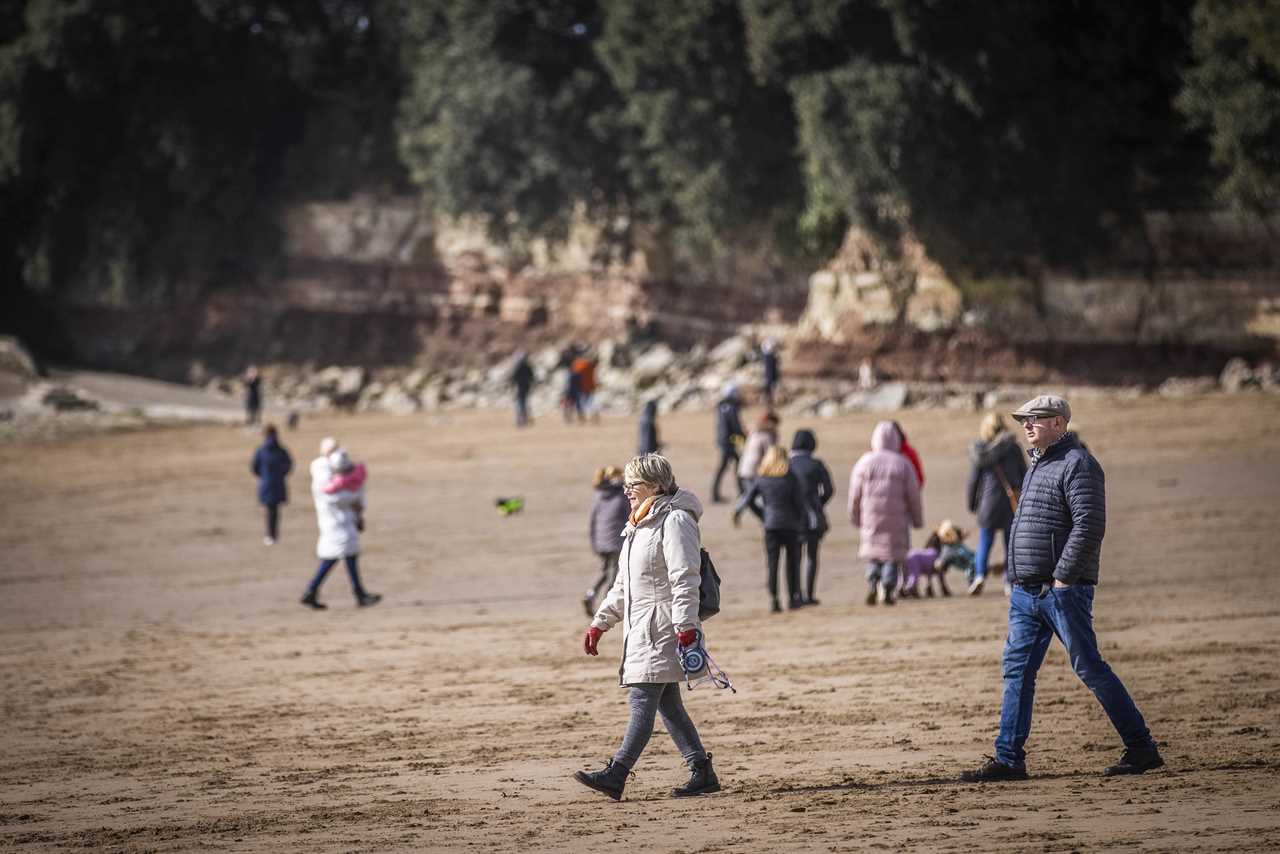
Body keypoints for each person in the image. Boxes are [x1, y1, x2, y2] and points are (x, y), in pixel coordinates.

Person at [961, 395, 1164, 782]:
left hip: (1062, 592)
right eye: (1024, 420)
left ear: (1058, 423)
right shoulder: (1037, 465)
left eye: (1034, 419)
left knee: (1089, 667)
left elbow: (1090, 525)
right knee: (1017, 672)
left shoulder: (1079, 464)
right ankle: (1008, 759)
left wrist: (1064, 577)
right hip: (1026, 594)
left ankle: (1141, 747)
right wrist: (1022, 577)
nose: (1027, 426)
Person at [576, 453, 720, 801]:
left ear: (655, 485)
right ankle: (701, 771)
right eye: (626, 484)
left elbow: (685, 576)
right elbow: (623, 585)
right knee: (667, 703)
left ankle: (617, 773)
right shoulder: (637, 524)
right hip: (641, 628)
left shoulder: (675, 521)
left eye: (633, 484)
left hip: (665, 627)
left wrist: (685, 625)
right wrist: (600, 623)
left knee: (642, 698)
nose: (627, 490)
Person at [848, 421, 924, 606]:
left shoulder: (864, 462)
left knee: (874, 552)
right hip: (897, 518)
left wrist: (855, 516)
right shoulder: (903, 464)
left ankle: (873, 581)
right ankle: (888, 587)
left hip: (871, 516)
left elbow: (854, 494)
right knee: (891, 554)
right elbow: (913, 495)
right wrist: (917, 519)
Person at [301, 447, 381, 610]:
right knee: (335, 558)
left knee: (343, 557)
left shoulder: (336, 485)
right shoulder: (329, 488)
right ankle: (355, 594)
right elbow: (346, 498)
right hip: (335, 527)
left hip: (342, 526)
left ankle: (315, 591)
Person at [733, 445, 809, 612]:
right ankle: (793, 598)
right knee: (792, 564)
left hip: (771, 526)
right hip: (791, 526)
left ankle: (774, 600)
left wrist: (763, 515)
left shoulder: (762, 479)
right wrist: (801, 522)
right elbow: (800, 504)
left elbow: (748, 500)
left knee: (773, 565)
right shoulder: (791, 478)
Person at [966, 412, 1027, 596]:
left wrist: (972, 504)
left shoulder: (980, 451)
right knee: (1010, 543)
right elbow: (1024, 473)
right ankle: (1009, 581)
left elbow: (973, 481)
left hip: (988, 502)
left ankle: (979, 575)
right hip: (1010, 502)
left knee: (985, 541)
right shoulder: (1013, 448)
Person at [787, 429, 834, 605]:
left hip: (793, 517)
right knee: (812, 557)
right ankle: (809, 594)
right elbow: (829, 490)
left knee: (795, 557)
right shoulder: (816, 464)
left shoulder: (787, 464)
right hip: (814, 517)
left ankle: (796, 594)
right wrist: (818, 504)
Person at [584, 466, 630, 617]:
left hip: (600, 541)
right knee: (614, 574)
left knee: (605, 571)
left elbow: (592, 520)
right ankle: (608, 605)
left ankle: (590, 594)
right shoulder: (622, 495)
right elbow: (630, 518)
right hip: (616, 541)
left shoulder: (598, 494)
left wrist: (594, 542)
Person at [249, 424, 292, 545]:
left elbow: (254, 467)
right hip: (278, 483)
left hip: (266, 483)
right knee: (275, 511)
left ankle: (269, 535)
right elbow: (289, 465)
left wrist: (263, 475)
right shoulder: (282, 450)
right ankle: (274, 535)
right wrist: (281, 474)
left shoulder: (261, 450)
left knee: (269, 510)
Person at [710, 384, 746, 503]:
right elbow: (735, 425)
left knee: (730, 465)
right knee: (733, 465)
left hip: (723, 440)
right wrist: (744, 437)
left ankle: (740, 491)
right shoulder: (731, 407)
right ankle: (742, 492)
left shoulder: (721, 406)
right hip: (728, 442)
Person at [737, 411, 779, 493]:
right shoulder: (766, 436)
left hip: (743, 469)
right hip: (753, 471)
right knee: (755, 498)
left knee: (749, 497)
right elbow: (771, 455)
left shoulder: (754, 432)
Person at [511, 351, 535, 427]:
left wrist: (512, 385)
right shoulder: (527, 366)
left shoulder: (518, 366)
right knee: (525, 404)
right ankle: (526, 419)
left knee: (520, 404)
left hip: (520, 387)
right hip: (526, 386)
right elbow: (532, 377)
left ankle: (520, 420)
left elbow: (514, 377)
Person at [761, 338, 780, 405]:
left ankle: (769, 401)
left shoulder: (769, 357)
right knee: (769, 390)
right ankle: (768, 401)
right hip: (769, 378)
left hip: (770, 378)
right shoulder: (769, 357)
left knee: (770, 390)